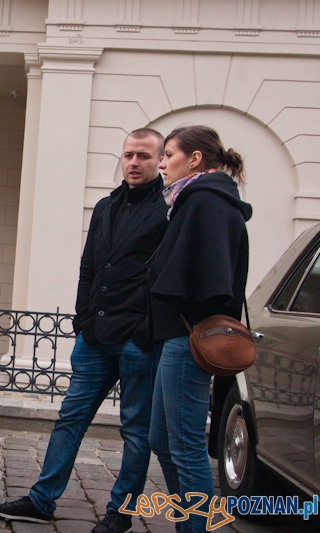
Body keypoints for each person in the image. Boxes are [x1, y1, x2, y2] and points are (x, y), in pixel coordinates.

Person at [0, 128, 168, 533]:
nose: (134, 162)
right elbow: (90, 267)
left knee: (135, 431)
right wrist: (81, 320)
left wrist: (145, 329)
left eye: (143, 156)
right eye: (128, 155)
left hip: (138, 340)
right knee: (70, 418)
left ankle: (120, 512)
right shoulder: (105, 206)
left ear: (160, 161)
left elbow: (165, 277)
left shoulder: (167, 210)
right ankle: (41, 500)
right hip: (95, 337)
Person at [147, 125, 252, 533]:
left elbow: (212, 279)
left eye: (168, 155)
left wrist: (171, 295)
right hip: (177, 334)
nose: (161, 164)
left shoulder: (206, 200)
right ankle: (189, 522)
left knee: (186, 445)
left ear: (194, 159)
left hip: (190, 337)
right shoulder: (194, 199)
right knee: (161, 439)